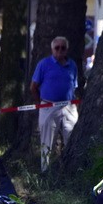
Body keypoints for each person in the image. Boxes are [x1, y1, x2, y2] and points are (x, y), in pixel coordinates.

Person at [30, 35, 79, 172]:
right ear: (52, 49)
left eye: (63, 48)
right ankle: (46, 173)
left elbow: (74, 86)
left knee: (72, 139)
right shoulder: (44, 64)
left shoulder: (72, 65)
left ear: (67, 50)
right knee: (47, 143)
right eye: (57, 48)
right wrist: (40, 103)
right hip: (48, 106)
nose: (60, 50)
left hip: (69, 107)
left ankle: (71, 172)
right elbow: (33, 87)